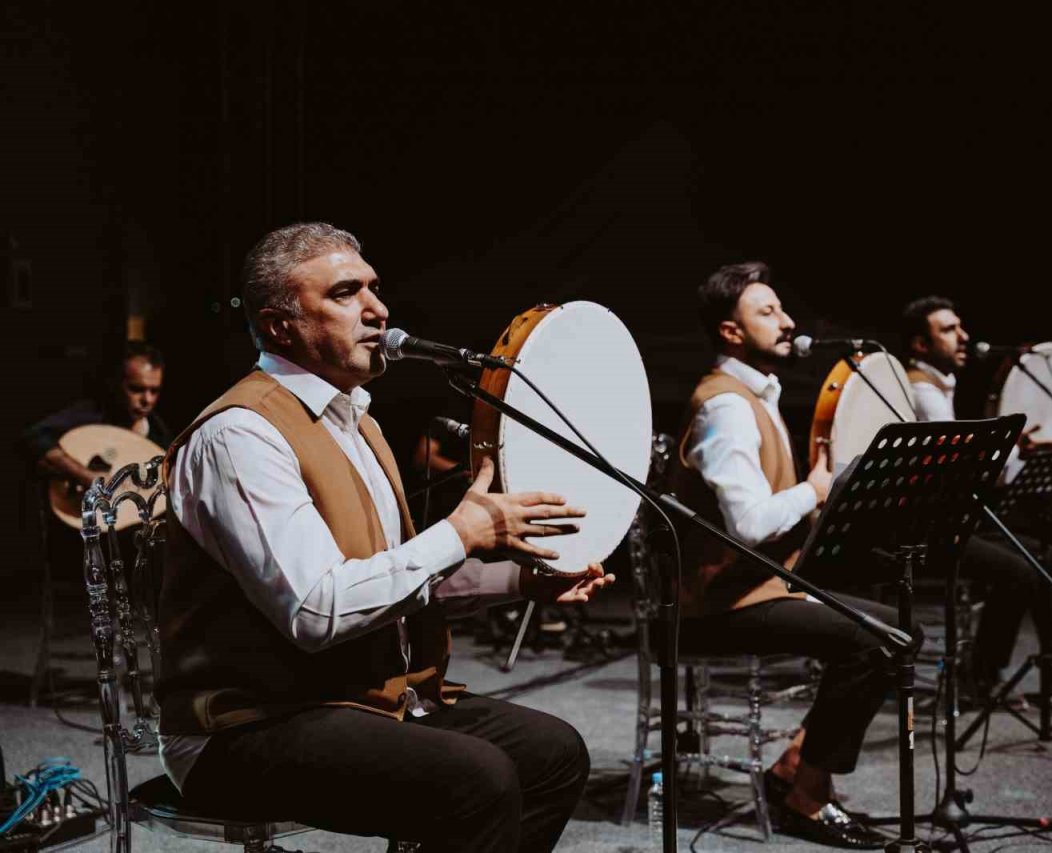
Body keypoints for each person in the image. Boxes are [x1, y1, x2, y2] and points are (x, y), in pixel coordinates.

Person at [156, 222, 612, 852]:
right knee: (475, 779)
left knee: (552, 753)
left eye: (375, 287)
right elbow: (318, 609)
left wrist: (524, 579)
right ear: (279, 325)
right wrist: (460, 531)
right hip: (247, 724)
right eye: (346, 293)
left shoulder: (354, 420)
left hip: (356, 702)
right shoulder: (241, 436)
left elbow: (391, 577)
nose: (378, 309)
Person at [670, 261, 917, 849]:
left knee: (900, 632)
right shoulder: (726, 405)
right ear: (730, 332)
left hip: (756, 589)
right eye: (767, 312)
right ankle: (806, 798)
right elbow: (750, 525)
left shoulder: (755, 394)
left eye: (783, 309)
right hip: (714, 607)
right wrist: (816, 488)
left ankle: (794, 768)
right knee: (874, 642)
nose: (788, 322)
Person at [900, 295, 1052, 693]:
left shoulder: (940, 389)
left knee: (1044, 556)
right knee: (1021, 571)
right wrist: (1009, 450)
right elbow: (956, 474)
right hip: (928, 529)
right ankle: (980, 675)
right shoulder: (924, 394)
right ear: (920, 345)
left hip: (953, 520)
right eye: (949, 330)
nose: (963, 336)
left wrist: (1012, 450)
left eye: (960, 326)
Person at [21, 341, 171, 487]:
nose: (147, 400)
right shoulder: (93, 413)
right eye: (136, 389)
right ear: (116, 383)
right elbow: (35, 437)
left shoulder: (158, 434)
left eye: (154, 391)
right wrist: (85, 476)